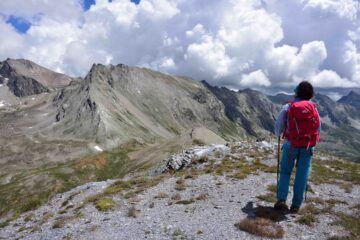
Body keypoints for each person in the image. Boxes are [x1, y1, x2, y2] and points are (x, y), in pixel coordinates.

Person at [273, 81, 321, 213]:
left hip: (290, 145)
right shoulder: (314, 108)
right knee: (302, 174)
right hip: (307, 146)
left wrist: (280, 133)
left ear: (296, 92)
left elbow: (278, 129)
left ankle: (281, 200)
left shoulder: (288, 107)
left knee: (285, 172)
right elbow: (318, 128)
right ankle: (296, 205)